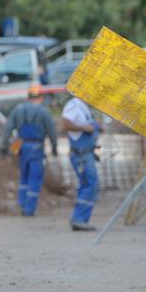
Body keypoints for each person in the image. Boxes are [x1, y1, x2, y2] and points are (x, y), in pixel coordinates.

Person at [0, 85, 58, 216]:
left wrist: (3, 147)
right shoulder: (44, 111)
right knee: (35, 178)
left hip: (22, 148)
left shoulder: (18, 110)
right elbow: (52, 132)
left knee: (24, 178)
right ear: (41, 97)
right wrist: (54, 149)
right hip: (36, 148)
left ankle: (21, 203)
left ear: (28, 97)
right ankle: (29, 209)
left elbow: (7, 129)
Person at [62, 96, 102, 231]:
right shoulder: (74, 105)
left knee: (88, 185)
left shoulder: (83, 107)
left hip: (86, 154)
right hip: (81, 155)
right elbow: (66, 124)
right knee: (91, 185)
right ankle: (79, 219)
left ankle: (81, 219)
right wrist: (85, 128)